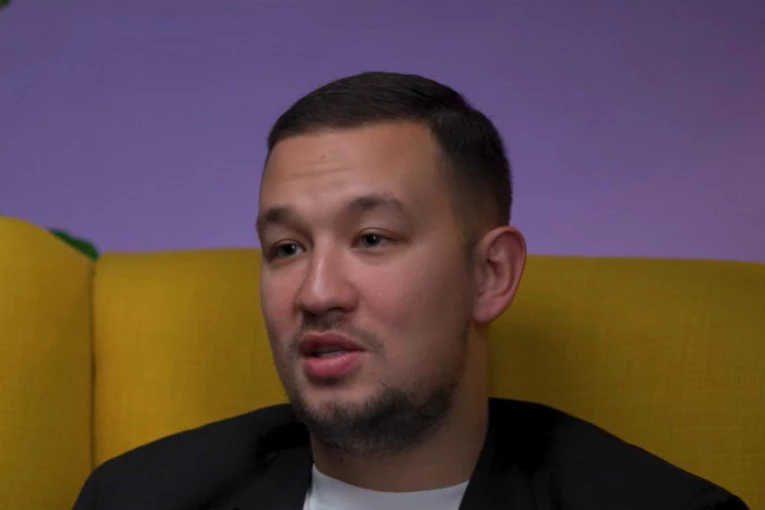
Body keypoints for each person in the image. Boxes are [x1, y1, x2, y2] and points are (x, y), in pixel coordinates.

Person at [72, 71, 748, 510]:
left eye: (371, 238)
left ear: (491, 275)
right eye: (287, 248)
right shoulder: (136, 498)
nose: (316, 293)